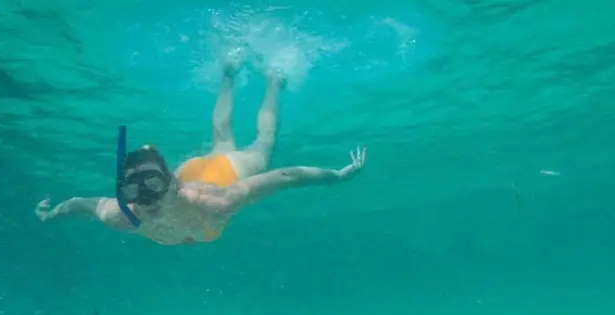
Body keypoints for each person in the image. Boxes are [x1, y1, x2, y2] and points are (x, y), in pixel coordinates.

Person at [34, 55, 367, 245]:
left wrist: (334, 177)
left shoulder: (215, 204)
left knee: (261, 145)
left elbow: (282, 176)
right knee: (221, 137)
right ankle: (228, 75)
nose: (143, 198)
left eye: (150, 184)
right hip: (191, 175)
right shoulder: (122, 214)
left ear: (170, 181)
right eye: (133, 188)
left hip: (224, 175)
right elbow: (79, 204)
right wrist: (49, 217)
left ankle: (272, 82)